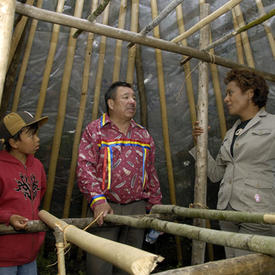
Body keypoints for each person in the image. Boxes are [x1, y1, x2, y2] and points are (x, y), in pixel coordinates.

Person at [77, 81, 162, 275]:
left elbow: (151, 173)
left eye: (133, 97)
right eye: (126, 97)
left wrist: (155, 206)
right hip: (106, 208)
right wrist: (98, 200)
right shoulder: (95, 130)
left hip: (137, 208)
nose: (132, 101)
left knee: (132, 264)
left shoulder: (143, 134)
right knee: (99, 266)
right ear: (111, 103)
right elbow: (84, 167)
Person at [190, 68, 275, 258]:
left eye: (230, 92)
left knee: (255, 268)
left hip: (258, 211)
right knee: (234, 266)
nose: (226, 99)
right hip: (227, 211)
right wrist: (199, 144)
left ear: (250, 93)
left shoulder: (272, 125)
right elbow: (215, 174)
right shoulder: (231, 133)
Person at [0, 111, 48, 275]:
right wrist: (9, 217)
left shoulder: (37, 166)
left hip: (29, 255)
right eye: (31, 135)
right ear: (13, 142)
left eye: (36, 134)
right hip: (3, 258)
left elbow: (39, 194)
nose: (37, 139)